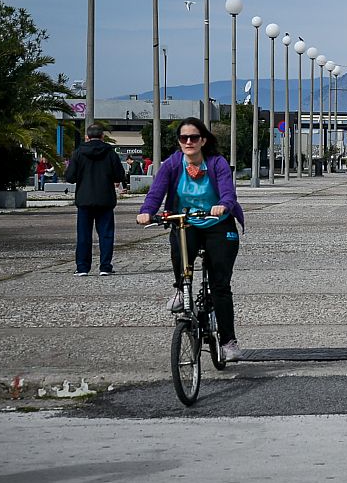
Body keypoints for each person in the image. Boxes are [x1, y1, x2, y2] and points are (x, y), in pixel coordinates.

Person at [136, 117, 245, 362]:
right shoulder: (173, 164)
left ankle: (228, 341)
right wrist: (146, 211)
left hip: (218, 224)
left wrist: (223, 205)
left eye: (193, 137)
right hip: (187, 222)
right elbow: (157, 191)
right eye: (183, 138)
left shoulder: (217, 163)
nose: (188, 142)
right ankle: (181, 291)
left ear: (203, 140)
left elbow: (228, 191)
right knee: (179, 246)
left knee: (220, 286)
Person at [64, 124, 126, 277]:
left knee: (84, 235)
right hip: (105, 199)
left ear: (87, 137)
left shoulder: (78, 153)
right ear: (102, 136)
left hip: (84, 200)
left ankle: (82, 267)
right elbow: (119, 175)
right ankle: (105, 266)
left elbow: (70, 177)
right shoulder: (110, 153)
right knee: (106, 234)